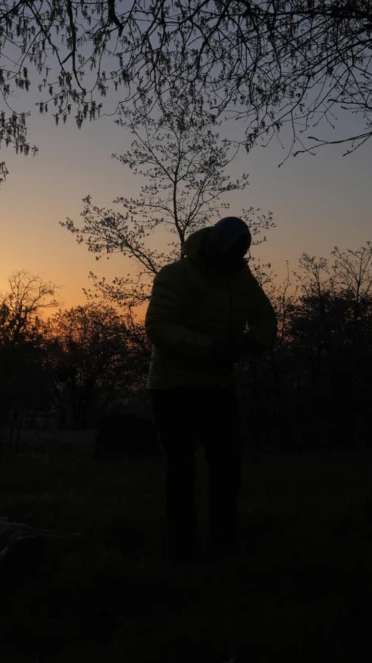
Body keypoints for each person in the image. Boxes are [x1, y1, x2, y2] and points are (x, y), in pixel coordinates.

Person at [144, 216, 277, 562]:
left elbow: (265, 318)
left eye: (238, 254)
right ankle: (182, 547)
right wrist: (212, 347)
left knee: (227, 468)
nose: (231, 260)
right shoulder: (176, 275)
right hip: (173, 389)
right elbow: (158, 327)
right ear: (213, 246)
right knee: (181, 471)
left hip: (219, 387)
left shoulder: (240, 277)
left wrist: (253, 342)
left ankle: (223, 542)